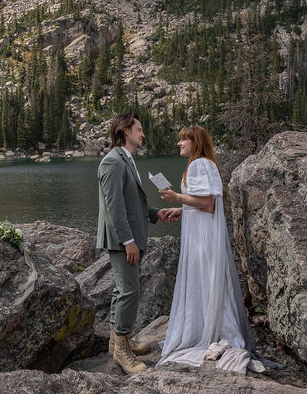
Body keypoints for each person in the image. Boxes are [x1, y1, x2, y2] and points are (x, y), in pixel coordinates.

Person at [157, 125, 268, 373]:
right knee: (207, 279)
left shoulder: (199, 164)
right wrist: (181, 209)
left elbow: (207, 204)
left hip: (202, 235)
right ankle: (212, 324)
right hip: (202, 231)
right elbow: (206, 203)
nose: (179, 144)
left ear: (194, 142)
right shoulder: (204, 164)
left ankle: (210, 329)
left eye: (183, 140)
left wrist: (177, 198)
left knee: (204, 279)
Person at [96, 112, 180, 374]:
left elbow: (133, 203)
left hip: (128, 236)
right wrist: (128, 241)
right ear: (125, 131)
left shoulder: (127, 161)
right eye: (139, 130)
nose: (143, 134)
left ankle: (117, 341)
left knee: (122, 290)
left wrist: (155, 213)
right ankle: (122, 349)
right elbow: (114, 207)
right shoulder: (113, 162)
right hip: (122, 239)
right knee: (130, 290)